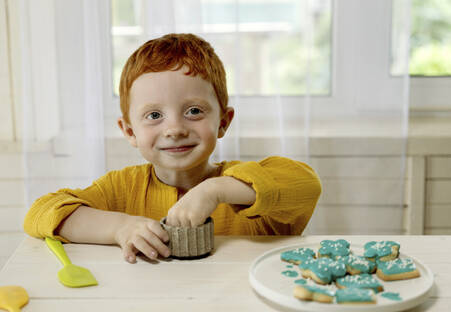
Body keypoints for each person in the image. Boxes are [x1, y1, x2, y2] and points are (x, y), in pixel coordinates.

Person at [23, 33, 322, 263]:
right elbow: (41, 213)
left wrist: (214, 190)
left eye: (193, 111)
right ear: (129, 131)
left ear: (223, 122)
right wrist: (119, 228)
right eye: (154, 116)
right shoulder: (122, 189)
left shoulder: (240, 185)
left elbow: (307, 185)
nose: (175, 129)